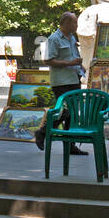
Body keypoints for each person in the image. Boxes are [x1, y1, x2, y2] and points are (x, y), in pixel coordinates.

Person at [35, 12, 89, 154]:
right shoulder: (54, 39)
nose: (77, 26)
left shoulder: (71, 38)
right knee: (65, 111)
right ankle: (42, 132)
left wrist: (79, 65)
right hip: (61, 82)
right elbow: (48, 60)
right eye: (74, 23)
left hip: (74, 78)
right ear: (66, 23)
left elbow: (73, 56)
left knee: (72, 115)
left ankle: (70, 145)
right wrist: (69, 63)